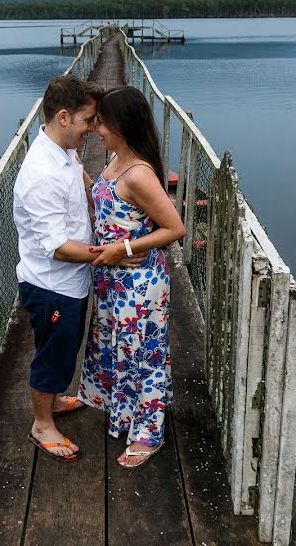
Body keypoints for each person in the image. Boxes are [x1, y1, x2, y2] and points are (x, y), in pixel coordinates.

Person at [13, 75, 138, 463]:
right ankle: (42, 425)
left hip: (68, 283)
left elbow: (79, 175)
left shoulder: (61, 147)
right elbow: (59, 248)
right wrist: (110, 252)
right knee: (52, 355)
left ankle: (51, 401)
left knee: (62, 350)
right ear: (64, 117)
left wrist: (94, 190)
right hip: (53, 285)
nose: (93, 128)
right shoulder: (40, 174)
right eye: (89, 120)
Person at [76, 85, 186, 468]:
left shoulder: (139, 172)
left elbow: (175, 228)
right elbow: (115, 206)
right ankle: (127, 416)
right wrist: (85, 181)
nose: (95, 129)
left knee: (144, 354)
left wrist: (122, 250)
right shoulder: (114, 158)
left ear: (121, 124)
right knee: (120, 349)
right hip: (114, 282)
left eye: (101, 122)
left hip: (138, 283)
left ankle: (149, 434)